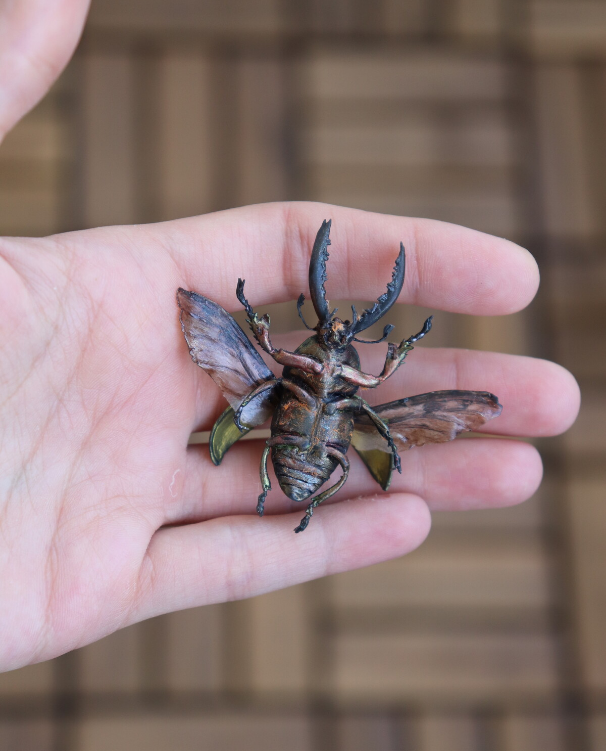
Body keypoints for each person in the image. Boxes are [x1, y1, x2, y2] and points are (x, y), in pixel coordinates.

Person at [0, 0, 580, 674]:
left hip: (303, 446)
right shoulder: (326, 376)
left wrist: (278, 334)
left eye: (339, 345)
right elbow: (325, 369)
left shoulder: (316, 378)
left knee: (345, 416)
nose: (333, 345)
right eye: (328, 341)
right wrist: (375, 351)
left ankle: (301, 482)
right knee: (334, 413)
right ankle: (301, 482)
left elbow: (309, 366)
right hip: (309, 445)